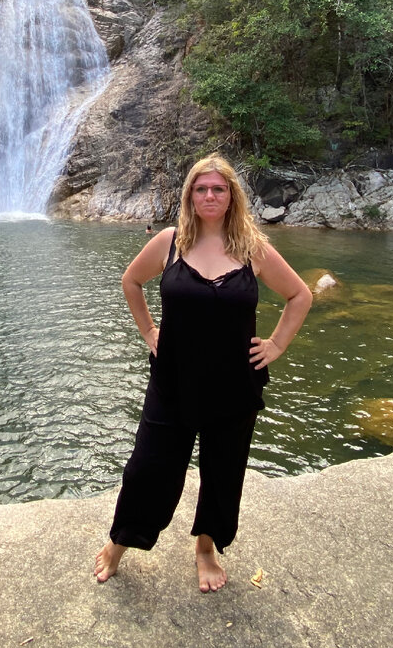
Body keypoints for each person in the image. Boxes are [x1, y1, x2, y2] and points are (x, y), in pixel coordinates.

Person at [94, 153, 312, 592]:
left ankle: (205, 549)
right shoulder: (170, 243)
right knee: (148, 467)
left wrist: (276, 344)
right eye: (201, 188)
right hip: (173, 379)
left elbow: (300, 295)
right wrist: (149, 330)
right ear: (190, 196)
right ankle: (119, 542)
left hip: (234, 383)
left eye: (219, 188)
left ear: (232, 197)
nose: (210, 195)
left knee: (223, 470)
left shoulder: (253, 248)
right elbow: (130, 281)